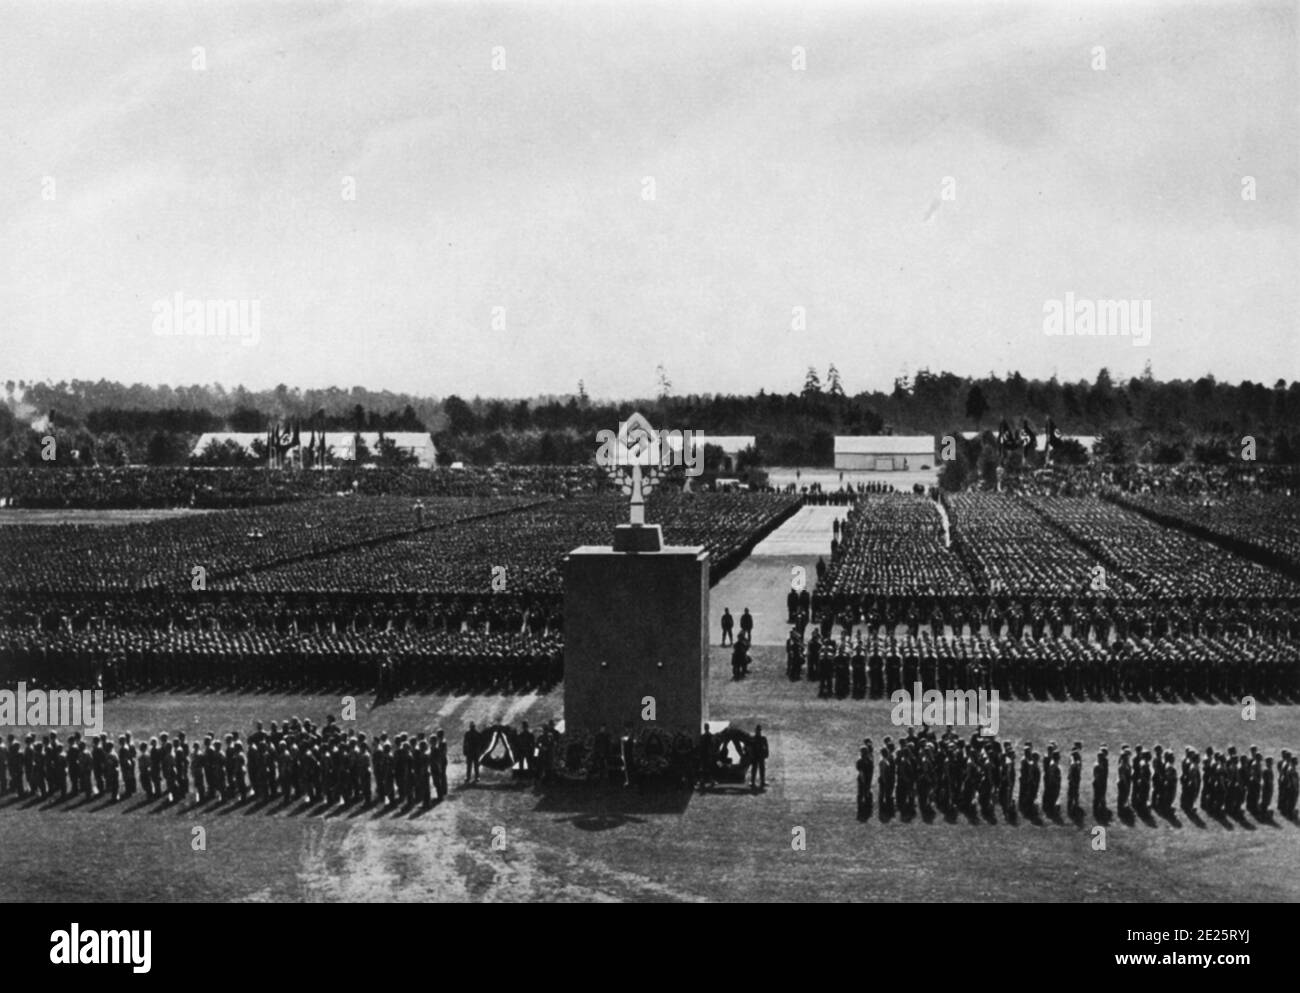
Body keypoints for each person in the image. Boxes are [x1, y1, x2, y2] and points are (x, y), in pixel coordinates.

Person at [750, 725, 769, 791]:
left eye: (759, 730)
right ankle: (752, 782)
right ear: (756, 731)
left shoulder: (763, 738)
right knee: (754, 769)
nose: (758, 732)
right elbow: (750, 747)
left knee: (762, 769)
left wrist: (766, 754)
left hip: (761, 756)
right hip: (755, 756)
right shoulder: (753, 738)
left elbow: (766, 747)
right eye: (757, 730)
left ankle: (762, 781)